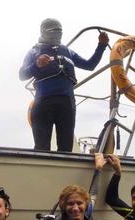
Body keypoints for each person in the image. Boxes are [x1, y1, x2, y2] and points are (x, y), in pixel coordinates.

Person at [19, 18, 109, 152]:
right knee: (41, 147)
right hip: (43, 102)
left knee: (66, 147)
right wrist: (37, 64)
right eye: (53, 30)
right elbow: (22, 75)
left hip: (67, 103)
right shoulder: (34, 52)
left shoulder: (68, 51)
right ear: (43, 31)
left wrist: (101, 46)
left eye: (59, 30)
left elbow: (90, 65)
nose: (57, 33)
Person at [40, 153, 105, 220]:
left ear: (86, 204)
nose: (75, 208)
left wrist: (98, 169)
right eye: (70, 204)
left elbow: (94, 192)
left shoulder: (87, 211)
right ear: (64, 206)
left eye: (79, 203)